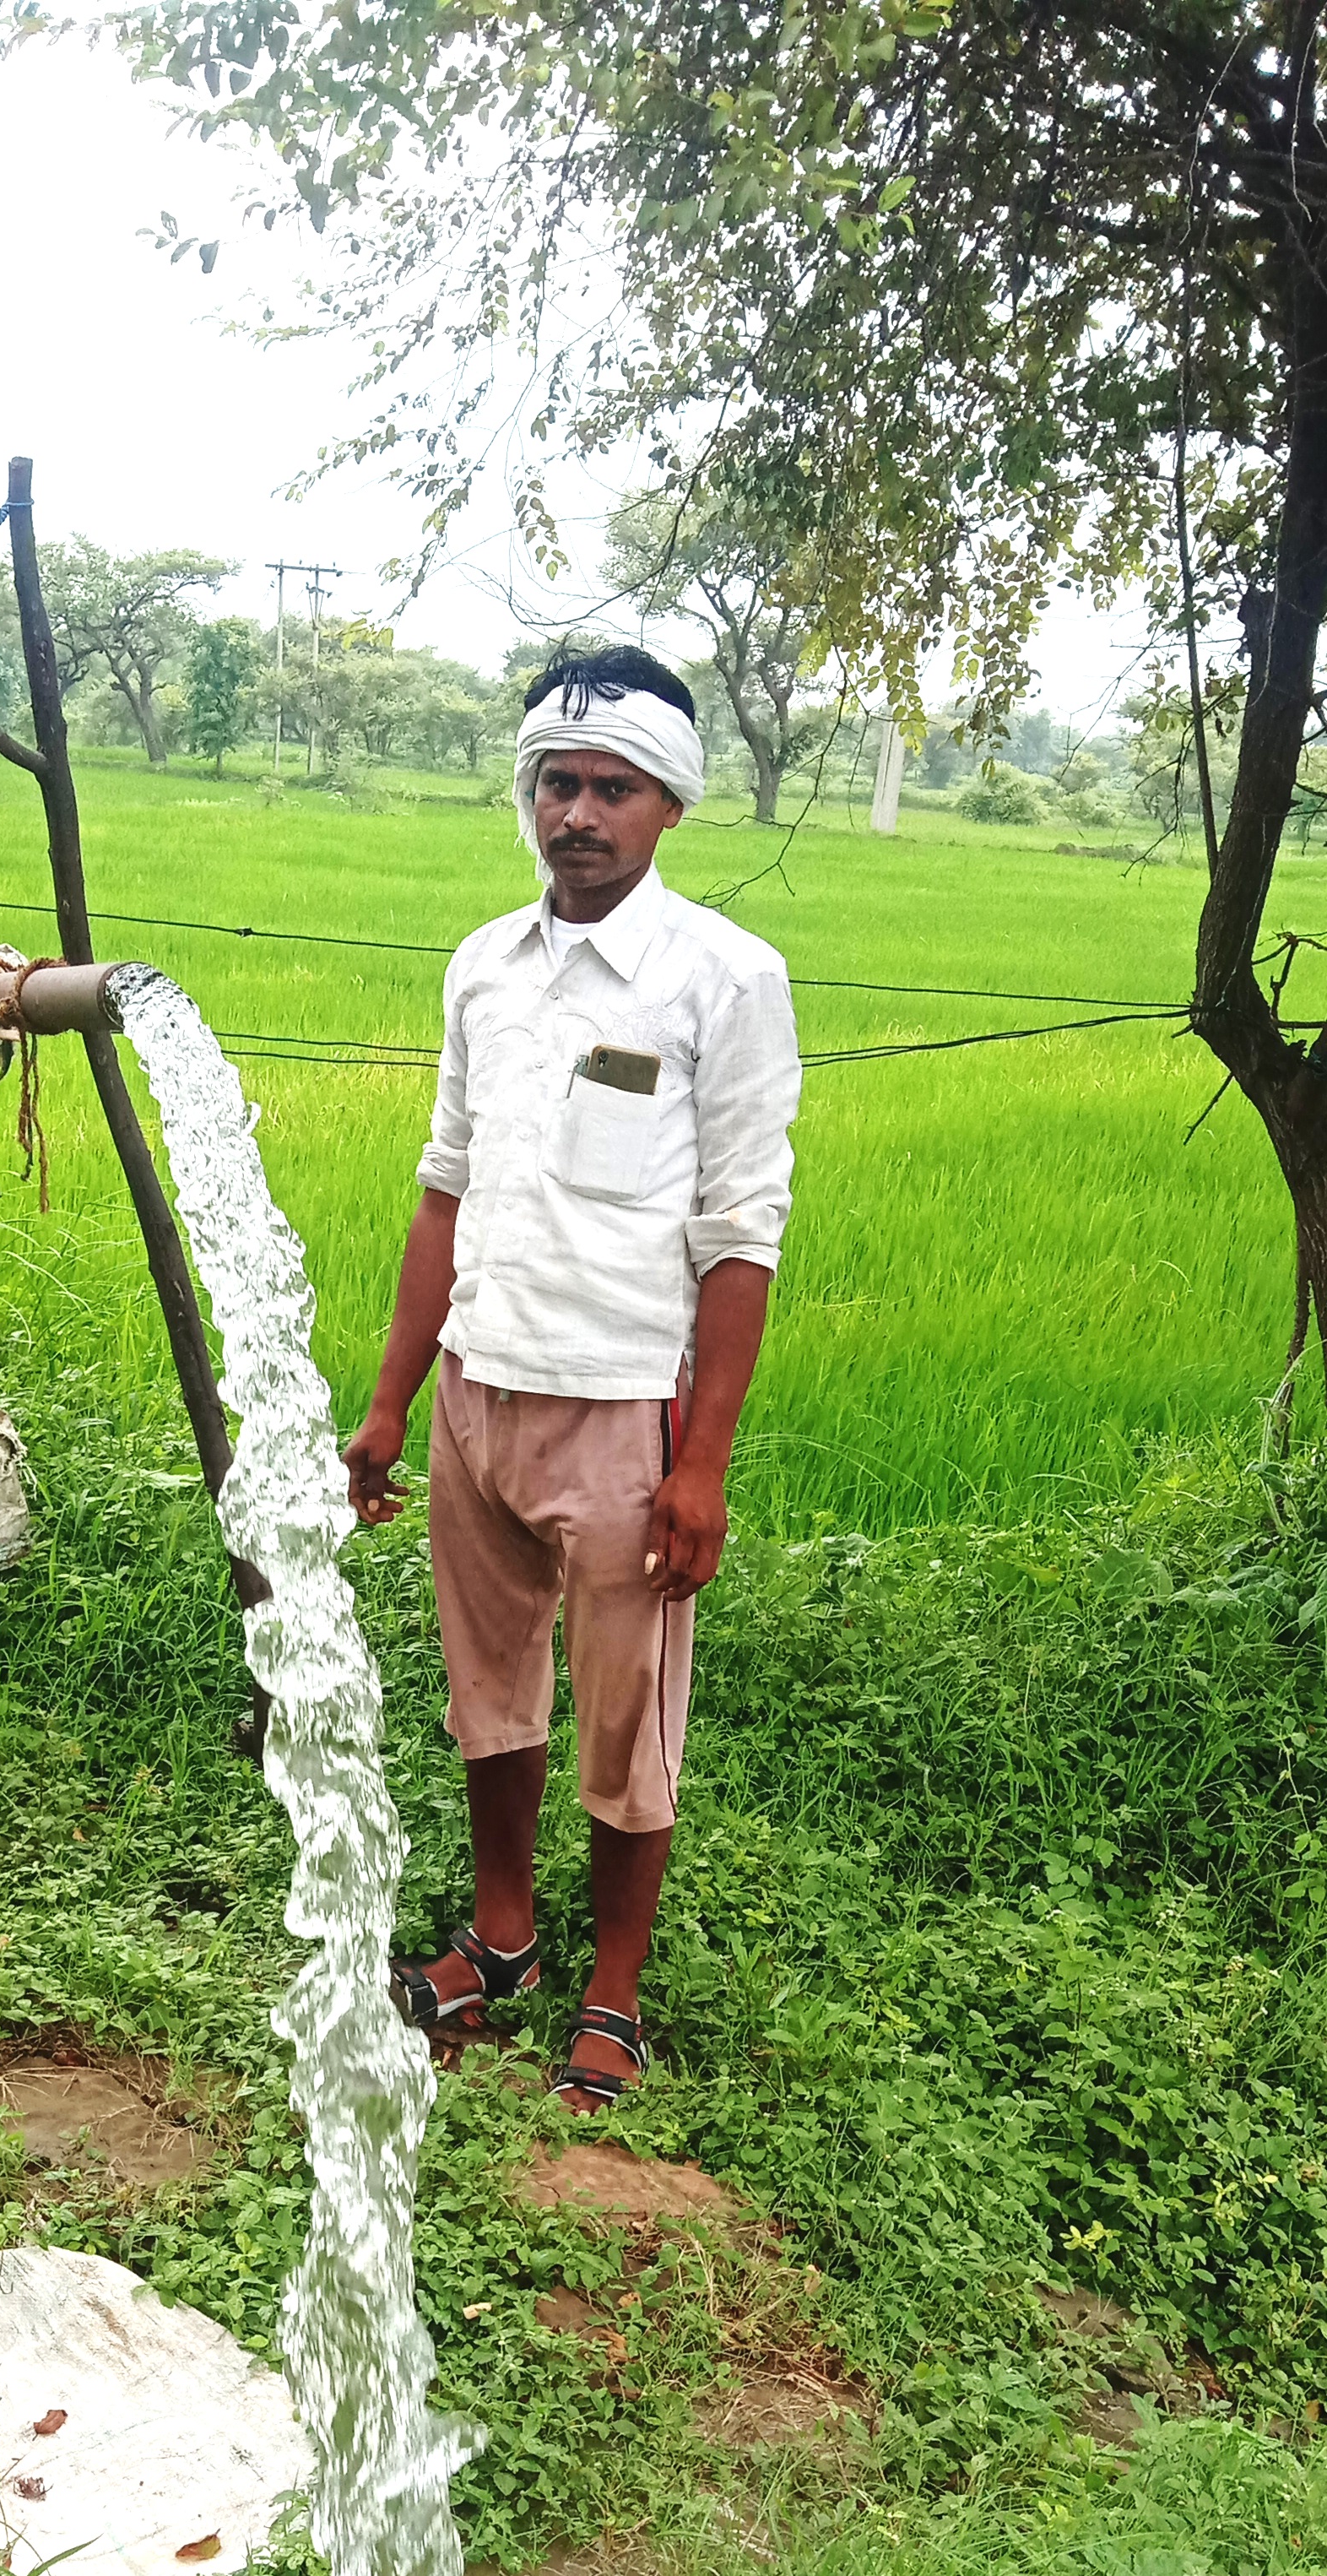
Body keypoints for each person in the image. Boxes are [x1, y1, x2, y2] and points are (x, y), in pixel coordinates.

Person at [343, 646, 800, 2111]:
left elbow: (741, 1237)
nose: (579, 812)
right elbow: (446, 1193)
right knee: (490, 1693)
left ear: (669, 805)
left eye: (614, 788)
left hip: (625, 1411)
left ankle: (614, 1989)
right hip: (481, 1391)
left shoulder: (723, 978)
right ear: (526, 795)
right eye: (557, 782)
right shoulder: (485, 964)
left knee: (625, 1724)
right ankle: (502, 1940)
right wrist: (392, 1401)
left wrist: (703, 1461)